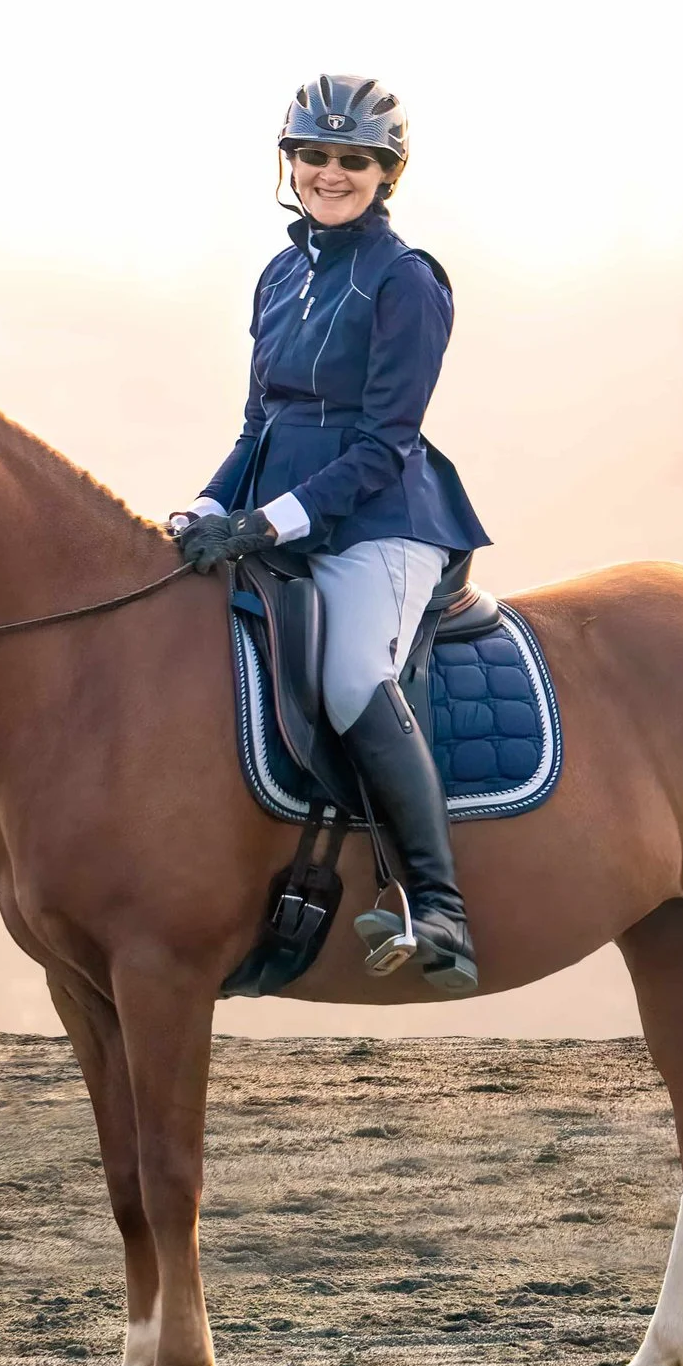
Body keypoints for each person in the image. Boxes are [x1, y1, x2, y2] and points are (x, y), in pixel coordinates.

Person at [172, 74, 492, 994]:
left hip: (383, 521)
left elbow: (383, 443)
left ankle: (441, 909)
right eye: (314, 154)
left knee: (355, 672)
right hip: (273, 521)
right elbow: (257, 427)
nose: (329, 172)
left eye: (353, 159)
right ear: (291, 162)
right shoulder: (280, 275)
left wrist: (268, 518)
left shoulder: (409, 281)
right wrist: (204, 506)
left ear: (387, 173)